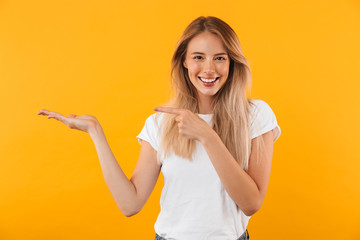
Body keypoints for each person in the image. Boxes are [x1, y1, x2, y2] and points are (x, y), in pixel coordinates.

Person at [38, 16, 281, 240]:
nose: (209, 69)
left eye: (220, 58)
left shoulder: (255, 115)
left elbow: (252, 203)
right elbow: (130, 204)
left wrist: (207, 136)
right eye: (198, 57)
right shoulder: (160, 123)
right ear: (184, 61)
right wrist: (95, 131)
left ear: (232, 63)